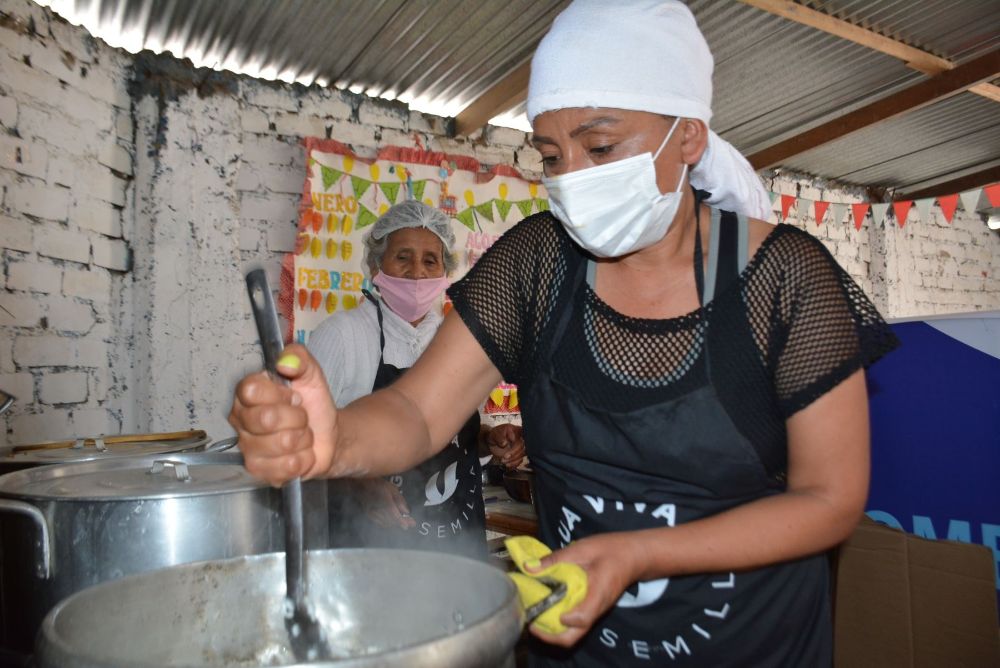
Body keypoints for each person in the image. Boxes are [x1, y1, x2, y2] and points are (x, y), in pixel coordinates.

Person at [229, 1, 898, 665]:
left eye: (601, 146)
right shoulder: (536, 265)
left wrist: (639, 553)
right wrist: (334, 439)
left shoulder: (785, 279)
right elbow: (416, 411)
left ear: (689, 137)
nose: (575, 177)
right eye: (552, 155)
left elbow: (830, 498)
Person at [305, 200, 525, 560]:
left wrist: (491, 440)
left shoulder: (457, 339)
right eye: (402, 257)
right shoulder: (342, 336)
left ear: (445, 269)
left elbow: (459, 434)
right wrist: (358, 484)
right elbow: (305, 440)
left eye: (429, 260)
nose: (417, 273)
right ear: (376, 264)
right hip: (369, 546)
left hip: (457, 543)